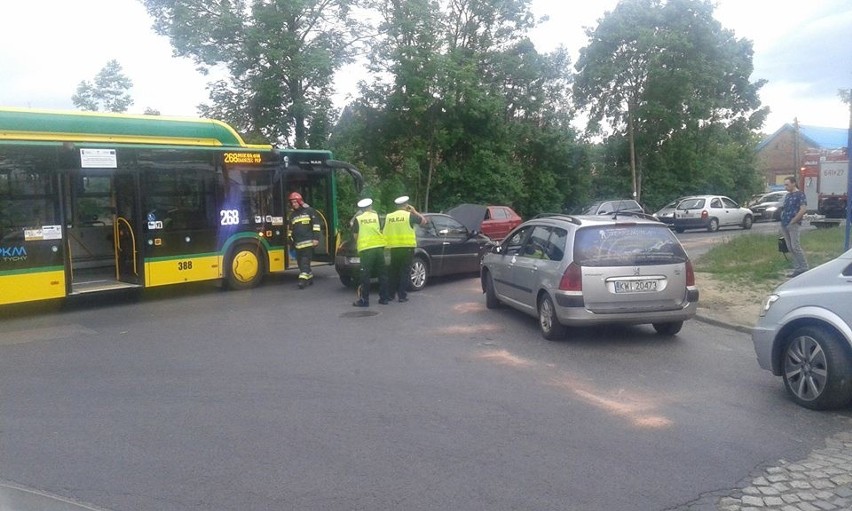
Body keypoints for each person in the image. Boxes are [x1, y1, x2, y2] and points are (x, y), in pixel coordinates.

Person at [383, 195, 427, 302]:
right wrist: (415, 211)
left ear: (396, 206)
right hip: (407, 248)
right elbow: (424, 222)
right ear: (406, 205)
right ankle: (402, 296)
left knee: (393, 272)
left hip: (393, 248)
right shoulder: (409, 216)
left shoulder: (389, 216)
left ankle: (390, 295)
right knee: (404, 272)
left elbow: (384, 230)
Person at [351, 198, 390, 307]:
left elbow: (355, 235)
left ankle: (364, 300)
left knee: (365, 275)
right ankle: (384, 298)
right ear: (370, 207)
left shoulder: (358, 219)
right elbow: (380, 229)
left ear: (361, 209)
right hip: (379, 248)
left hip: (366, 250)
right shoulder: (376, 216)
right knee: (382, 274)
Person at [288, 191, 321, 289]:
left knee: (304, 262)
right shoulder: (292, 215)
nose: (294, 204)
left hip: (308, 243)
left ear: (299, 201)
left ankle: (302, 281)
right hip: (298, 244)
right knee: (300, 264)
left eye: (295, 202)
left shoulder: (309, 211)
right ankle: (309, 278)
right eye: (292, 203)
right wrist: (290, 240)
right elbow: (290, 230)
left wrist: (316, 238)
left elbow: (316, 226)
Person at [780, 176, 808, 277]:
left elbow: (803, 209)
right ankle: (797, 268)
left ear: (794, 183)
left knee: (795, 246)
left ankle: (804, 267)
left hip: (793, 223)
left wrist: (794, 220)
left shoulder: (800, 194)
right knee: (789, 247)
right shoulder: (788, 196)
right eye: (785, 185)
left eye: (787, 184)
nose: (785, 187)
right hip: (784, 223)